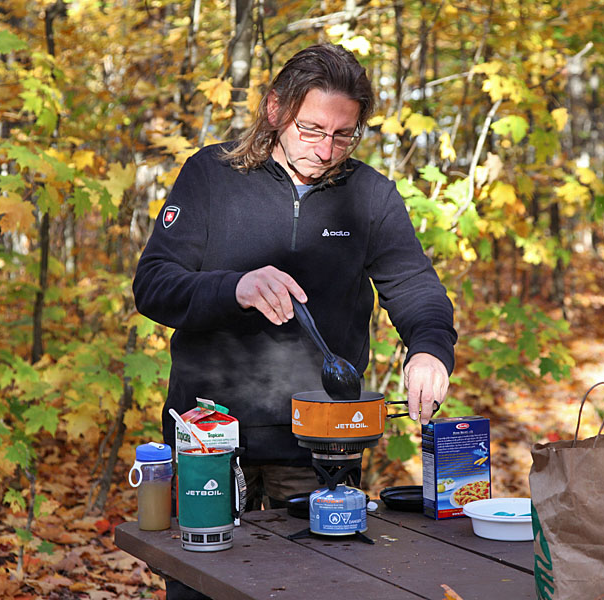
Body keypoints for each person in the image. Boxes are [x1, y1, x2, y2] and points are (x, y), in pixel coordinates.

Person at [133, 43, 456, 599]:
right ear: (275, 110)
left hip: (319, 443)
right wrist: (233, 286)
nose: (326, 150)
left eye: (342, 134)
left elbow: (414, 288)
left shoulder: (371, 195)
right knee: (198, 589)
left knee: (316, 587)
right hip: (208, 435)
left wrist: (429, 349)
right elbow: (154, 284)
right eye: (310, 129)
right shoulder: (211, 175)